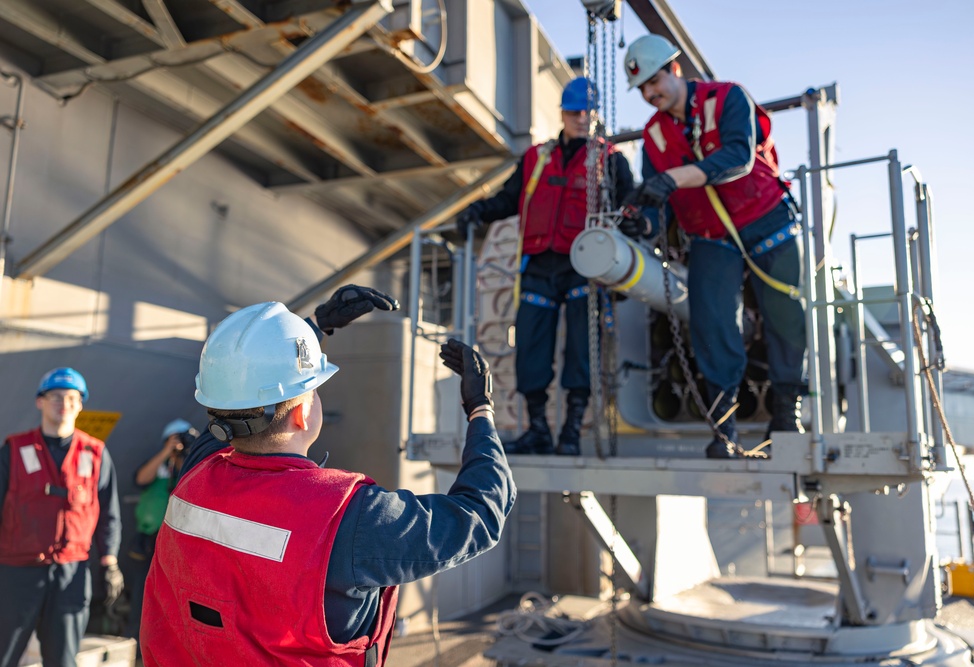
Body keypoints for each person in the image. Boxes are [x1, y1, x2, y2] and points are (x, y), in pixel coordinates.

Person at [140, 285, 515, 666]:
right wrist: (480, 409)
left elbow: (237, 398)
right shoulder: (349, 518)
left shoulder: (196, 474)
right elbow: (480, 514)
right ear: (303, 414)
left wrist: (315, 327)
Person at [622, 34, 808, 459]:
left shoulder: (728, 98)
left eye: (655, 81)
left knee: (783, 313)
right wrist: (642, 223)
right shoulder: (653, 139)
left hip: (766, 220)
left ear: (674, 68)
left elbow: (738, 158)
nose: (651, 94)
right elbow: (658, 204)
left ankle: (785, 413)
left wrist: (672, 178)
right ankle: (725, 430)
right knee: (710, 321)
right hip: (711, 236)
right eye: (644, 89)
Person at [457, 76, 636, 456]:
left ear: (596, 114)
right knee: (530, 346)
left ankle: (570, 431)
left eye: (588, 112)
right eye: (574, 112)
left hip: (584, 269)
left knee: (582, 349)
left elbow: (631, 208)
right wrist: (476, 211)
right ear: (563, 113)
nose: (581, 118)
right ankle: (538, 428)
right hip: (538, 266)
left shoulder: (611, 160)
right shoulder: (536, 158)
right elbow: (508, 199)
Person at [0, 367, 123, 667]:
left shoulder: (95, 454)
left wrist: (109, 562)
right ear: (39, 402)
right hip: (18, 573)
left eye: (71, 397)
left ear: (80, 404)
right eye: (55, 396)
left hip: (72, 574)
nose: (63, 403)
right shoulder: (14, 449)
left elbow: (109, 512)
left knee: (63, 659)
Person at [124, 417, 198, 643]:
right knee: (142, 595)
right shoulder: (159, 465)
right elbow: (140, 478)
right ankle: (135, 642)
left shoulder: (193, 465)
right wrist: (167, 452)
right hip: (149, 542)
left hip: (180, 547)